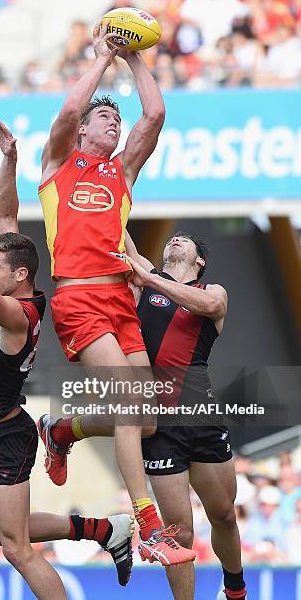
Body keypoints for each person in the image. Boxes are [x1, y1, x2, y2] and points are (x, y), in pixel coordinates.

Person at [0, 113, 135, 598]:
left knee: (17, 548)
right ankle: (104, 531)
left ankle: (106, 533)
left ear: (20, 276)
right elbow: (5, 217)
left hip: (6, 433)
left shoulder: (17, 315)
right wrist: (10, 161)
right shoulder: (14, 282)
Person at [37, 22, 195, 566]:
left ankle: (62, 429)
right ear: (82, 131)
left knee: (145, 419)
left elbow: (154, 115)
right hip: (78, 299)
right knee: (131, 402)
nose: (114, 120)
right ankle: (148, 525)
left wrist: (136, 58)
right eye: (104, 116)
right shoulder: (60, 165)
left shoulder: (121, 173)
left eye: (115, 116)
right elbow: (65, 113)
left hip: (119, 303)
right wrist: (101, 59)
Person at [123, 231, 247, 600]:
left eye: (185, 240)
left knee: (223, 514)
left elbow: (210, 307)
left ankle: (235, 588)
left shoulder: (214, 291)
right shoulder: (147, 276)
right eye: (172, 238)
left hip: (201, 415)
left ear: (199, 261)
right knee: (179, 534)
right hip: (158, 423)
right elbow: (117, 223)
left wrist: (149, 279)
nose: (175, 239)